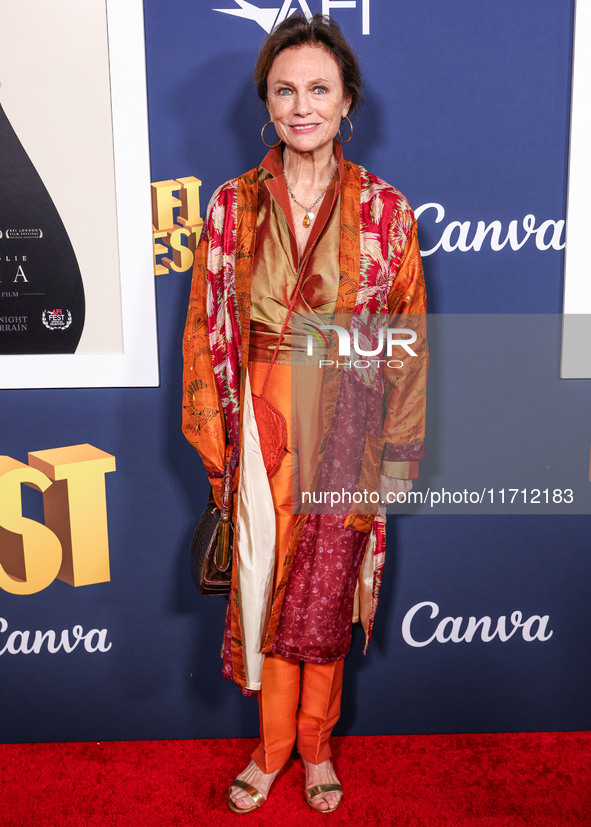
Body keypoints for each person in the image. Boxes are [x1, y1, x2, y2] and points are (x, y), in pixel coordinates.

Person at [182, 14, 427, 814]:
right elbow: (203, 331)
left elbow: (407, 341)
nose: (301, 105)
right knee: (262, 587)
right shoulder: (229, 206)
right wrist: (217, 446)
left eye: (318, 89)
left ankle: (315, 749)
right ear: (267, 103)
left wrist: (395, 453)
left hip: (347, 425)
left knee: (323, 592)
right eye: (285, 90)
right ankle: (270, 745)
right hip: (258, 420)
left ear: (346, 102)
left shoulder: (388, 212)